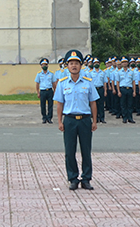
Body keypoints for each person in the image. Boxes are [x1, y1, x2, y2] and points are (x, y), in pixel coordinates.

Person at [54, 49, 98, 190]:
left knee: (86, 150)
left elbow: (93, 102)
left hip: (85, 120)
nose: (74, 66)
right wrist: (60, 121)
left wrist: (94, 121)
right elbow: (60, 104)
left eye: (77, 63)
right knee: (70, 151)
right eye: (71, 63)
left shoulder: (88, 82)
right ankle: (73, 178)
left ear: (81, 66)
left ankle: (86, 178)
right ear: (67, 66)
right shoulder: (62, 83)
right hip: (70, 120)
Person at [35, 58, 56, 124]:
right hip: (43, 91)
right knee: (43, 105)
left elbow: (54, 83)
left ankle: (49, 118)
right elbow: (37, 84)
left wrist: (55, 92)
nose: (44, 66)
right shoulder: (39, 74)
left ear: (48, 65)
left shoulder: (51, 74)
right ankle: (44, 118)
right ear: (41, 66)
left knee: (50, 105)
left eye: (46, 64)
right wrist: (38, 92)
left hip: (49, 91)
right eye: (43, 65)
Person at [116, 56, 136, 124]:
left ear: (128, 63)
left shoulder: (131, 72)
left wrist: (134, 91)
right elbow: (117, 82)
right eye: (123, 62)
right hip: (122, 89)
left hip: (129, 89)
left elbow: (133, 82)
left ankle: (130, 118)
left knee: (130, 104)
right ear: (121, 64)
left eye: (125, 62)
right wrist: (118, 91)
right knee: (123, 104)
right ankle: (124, 118)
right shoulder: (119, 72)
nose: (124, 63)